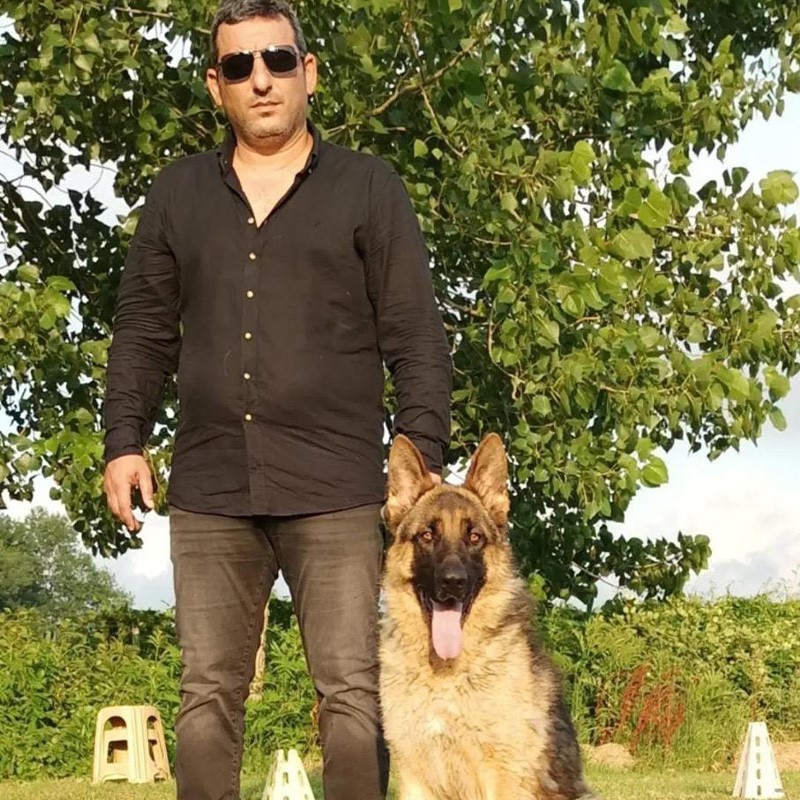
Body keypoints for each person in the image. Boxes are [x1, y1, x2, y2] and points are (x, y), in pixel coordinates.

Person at [101, 1, 452, 798]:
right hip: (212, 488)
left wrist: (422, 460)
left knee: (352, 696)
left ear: (308, 72)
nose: (260, 79)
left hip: (337, 487)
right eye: (239, 66)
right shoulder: (178, 194)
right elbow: (143, 330)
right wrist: (125, 441)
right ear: (216, 85)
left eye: (278, 60)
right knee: (206, 698)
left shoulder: (369, 187)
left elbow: (416, 334)